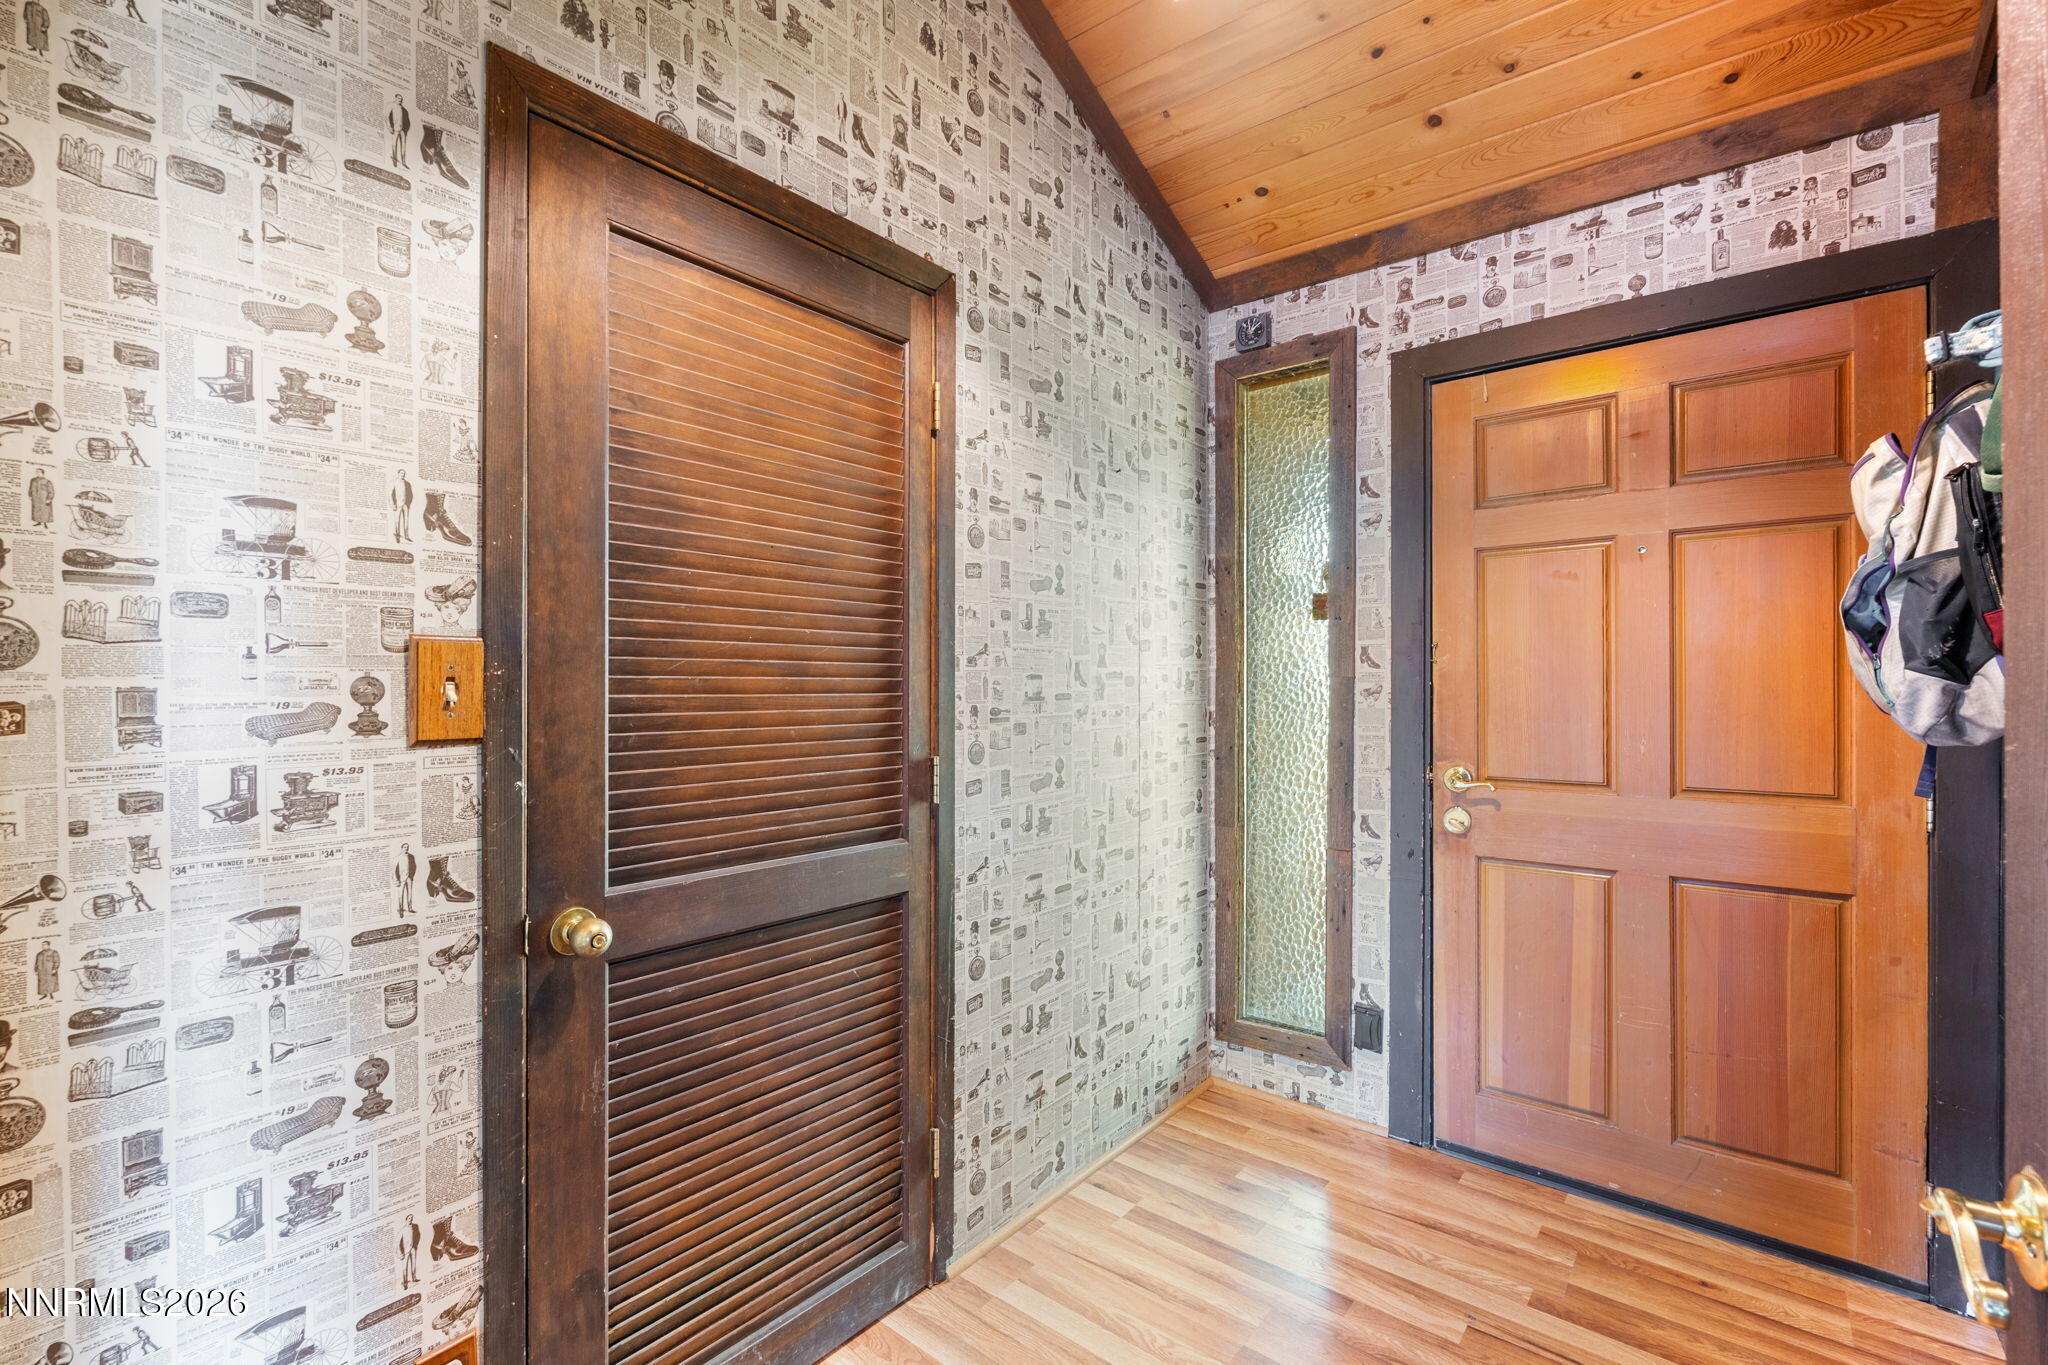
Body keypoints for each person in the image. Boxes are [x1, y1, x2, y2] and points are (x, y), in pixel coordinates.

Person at [394, 841, 416, 916]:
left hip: (409, 878)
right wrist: (397, 879)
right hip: (401, 879)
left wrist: (411, 876)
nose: (406, 848)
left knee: (409, 893)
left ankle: (410, 908)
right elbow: (394, 869)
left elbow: (414, 867)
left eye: (407, 847)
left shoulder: (411, 856)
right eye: (405, 847)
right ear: (402, 848)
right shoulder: (398, 857)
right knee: (400, 894)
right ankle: (401, 910)